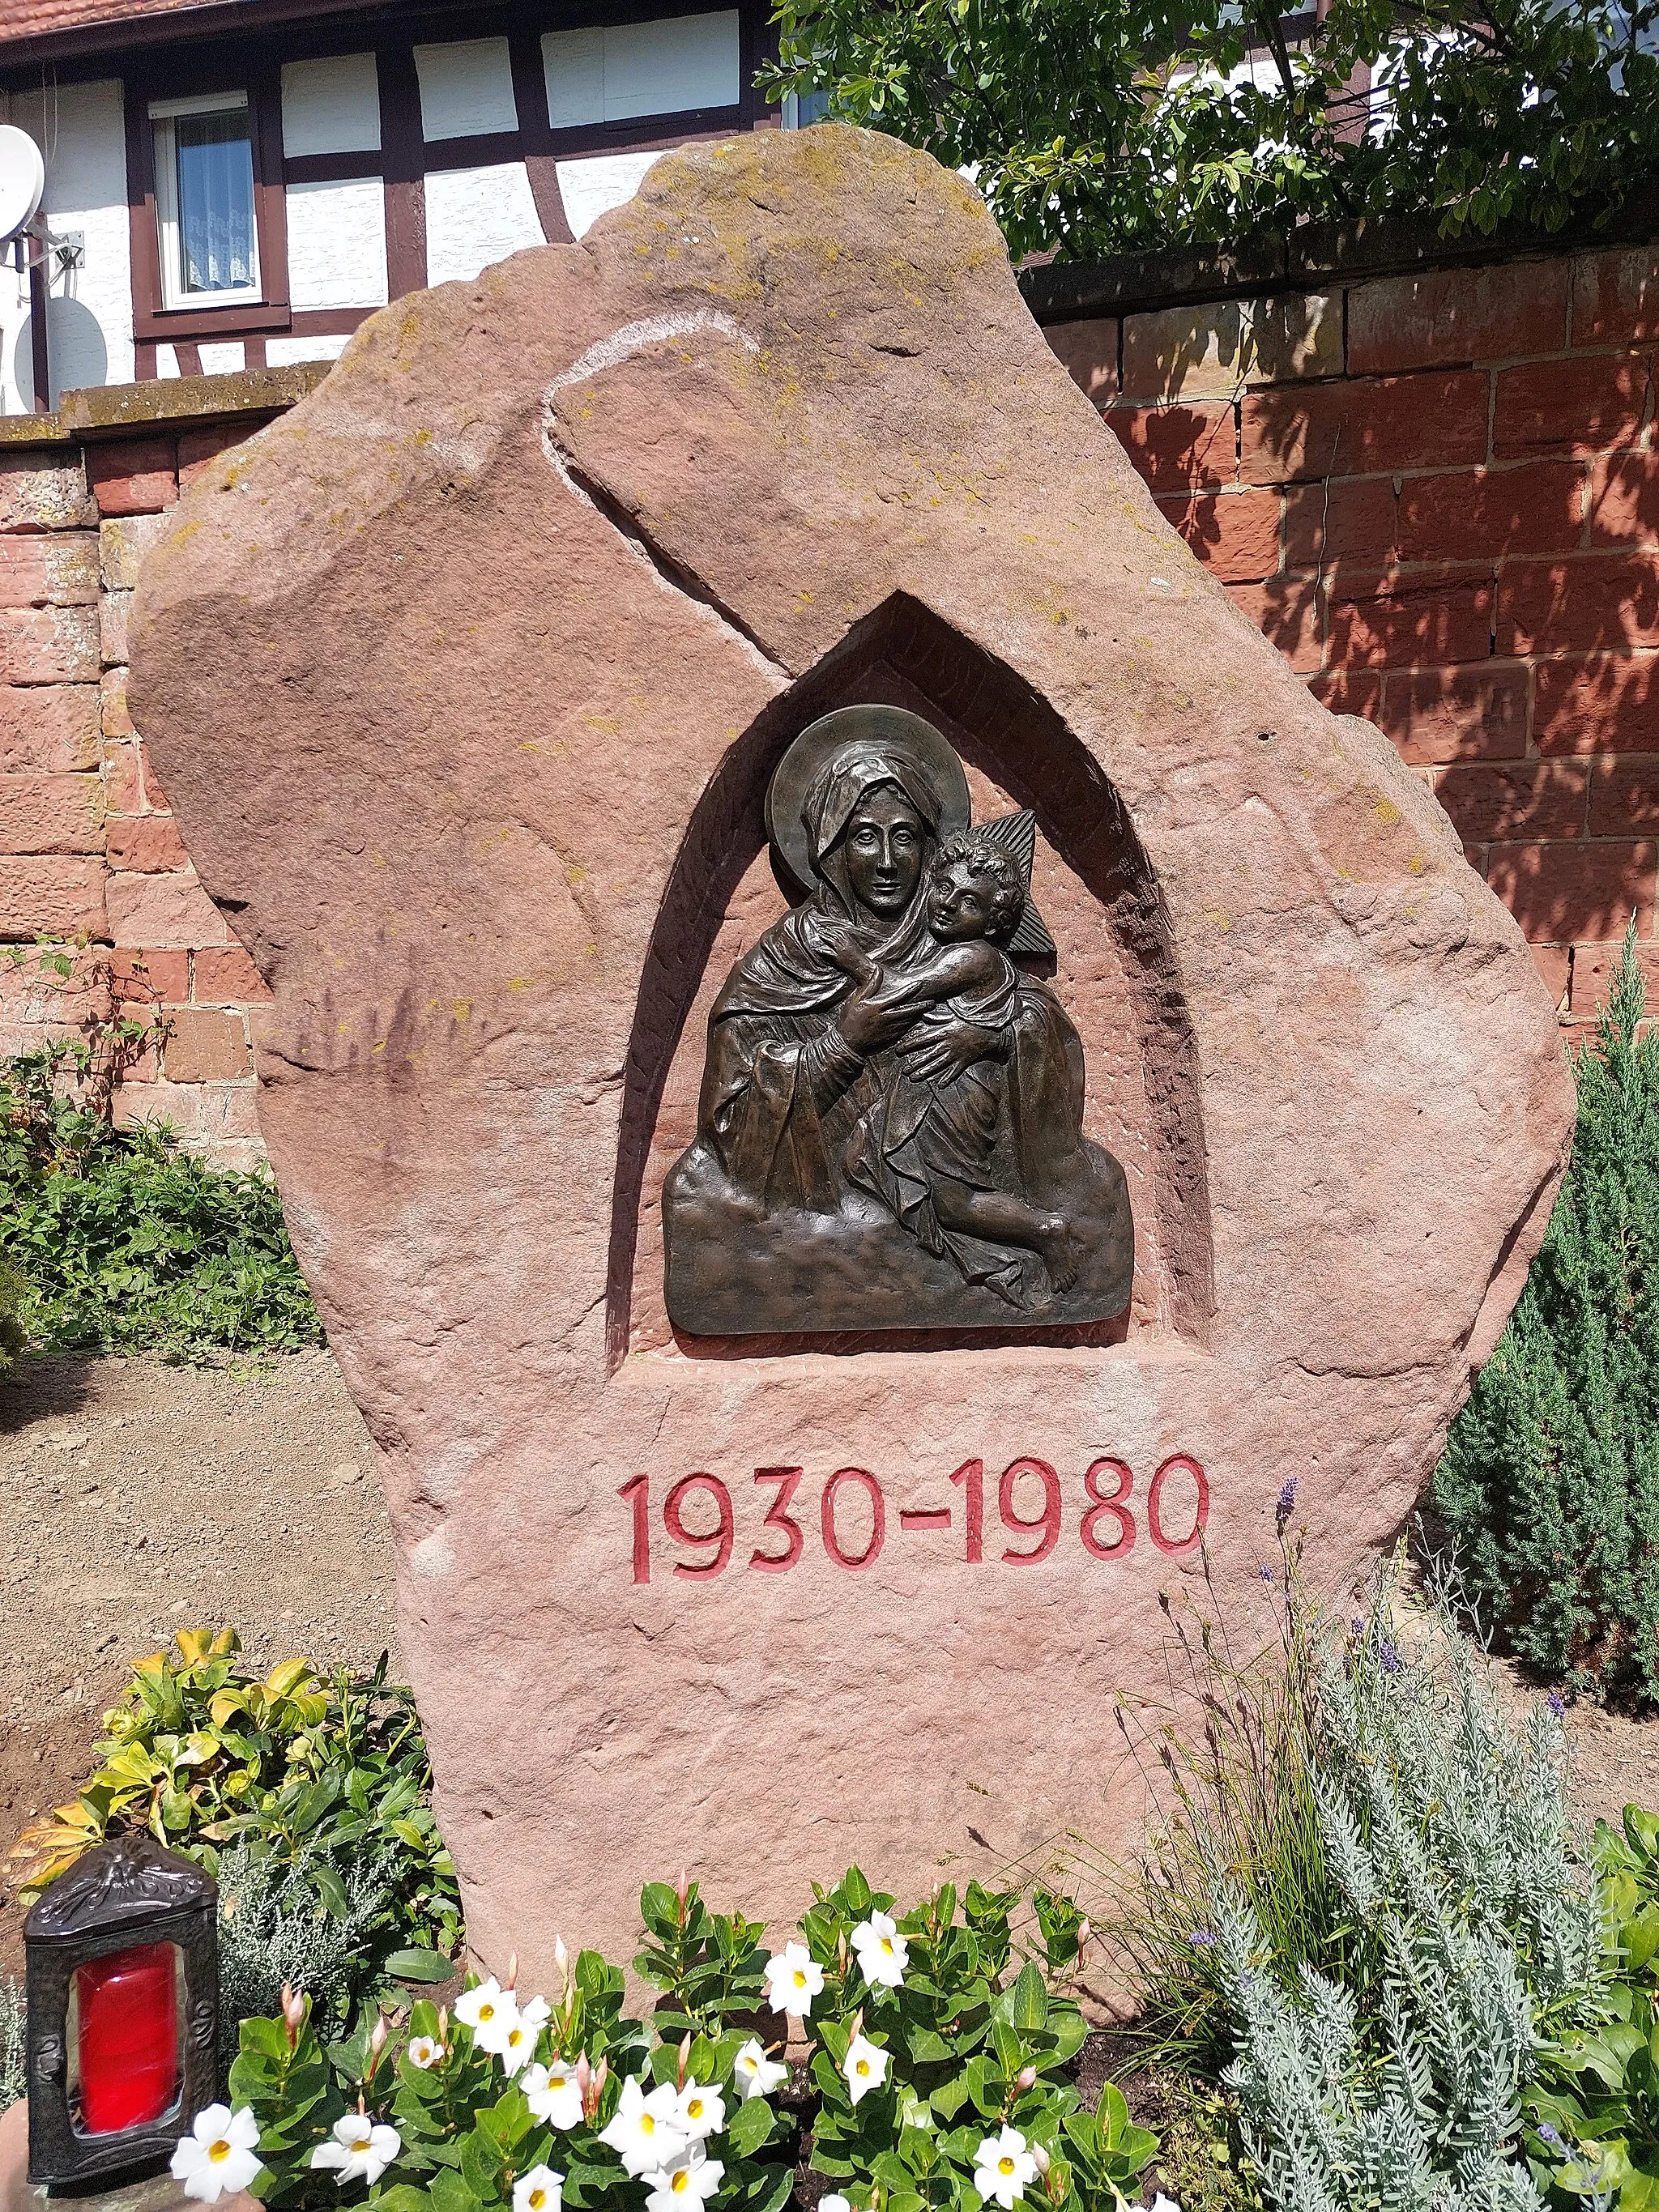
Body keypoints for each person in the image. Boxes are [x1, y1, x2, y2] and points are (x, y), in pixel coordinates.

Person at [824, 830, 1081, 1304]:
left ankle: (1046, 1230)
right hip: (927, 1086)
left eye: (968, 902)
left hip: (956, 1092)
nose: (946, 904)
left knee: (954, 1201)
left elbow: (903, 990)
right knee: (862, 1153)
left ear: (992, 922)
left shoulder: (973, 955)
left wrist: (853, 960)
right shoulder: (950, 949)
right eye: (943, 888)